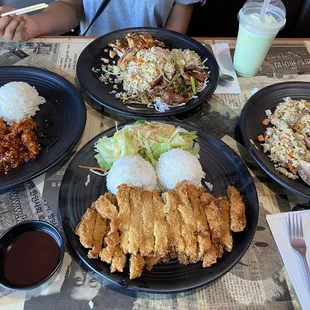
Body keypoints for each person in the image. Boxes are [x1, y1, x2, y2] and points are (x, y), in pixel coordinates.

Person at [0, 0, 204, 42]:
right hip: (92, 52)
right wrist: (33, 26)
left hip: (149, 57)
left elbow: (174, 34)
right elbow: (69, 6)